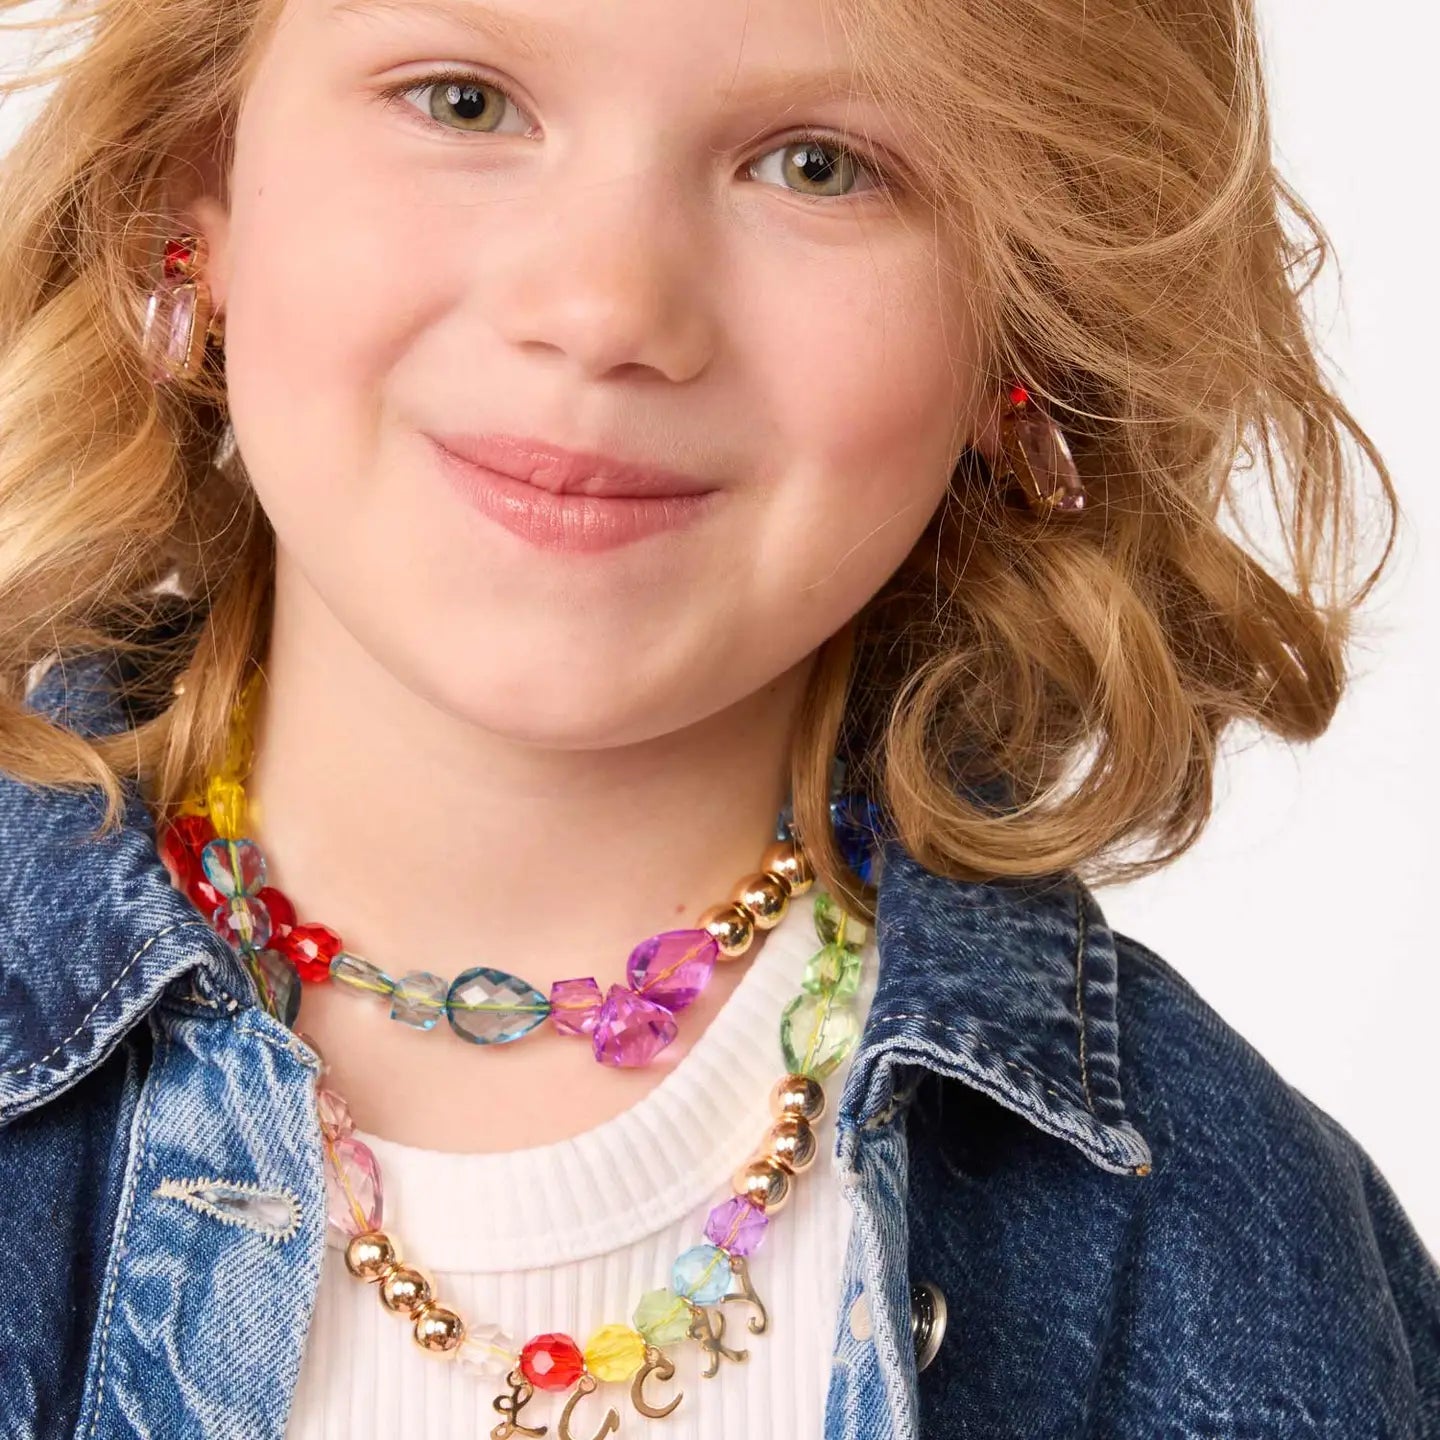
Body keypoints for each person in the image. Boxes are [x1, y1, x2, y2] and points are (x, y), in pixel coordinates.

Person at [0, 0, 1435, 1436]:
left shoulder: (1233, 1257)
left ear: (1032, 322)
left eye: (818, 165)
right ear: (196, 186)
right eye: (462, 102)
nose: (606, 308)